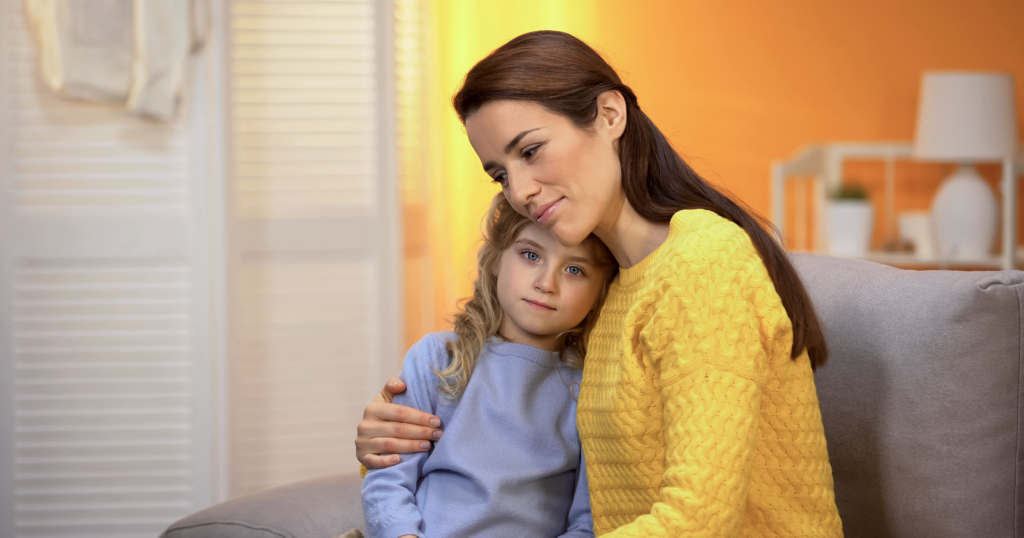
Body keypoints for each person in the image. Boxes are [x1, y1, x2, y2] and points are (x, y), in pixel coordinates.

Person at [357, 30, 843, 537]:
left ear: (610, 115)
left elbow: (700, 520)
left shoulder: (703, 262)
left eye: (532, 150)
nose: (520, 191)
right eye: (500, 174)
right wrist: (386, 445)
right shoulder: (607, 291)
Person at [361, 193, 616, 538]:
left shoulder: (591, 392)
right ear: (496, 259)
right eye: (530, 255)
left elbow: (588, 522)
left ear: (601, 291)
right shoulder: (438, 358)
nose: (546, 283)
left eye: (574, 269)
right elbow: (389, 477)